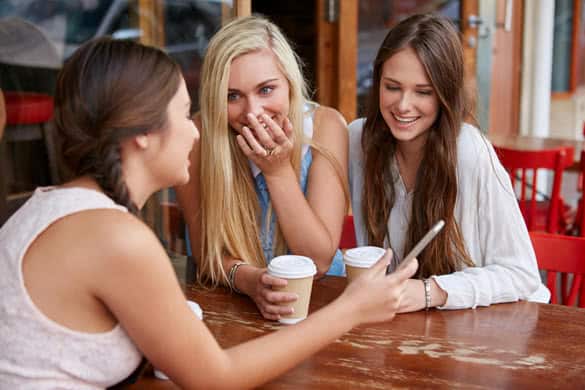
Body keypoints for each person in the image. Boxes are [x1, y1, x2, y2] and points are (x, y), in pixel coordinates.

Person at [0, 37, 418, 389]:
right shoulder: (118, 238)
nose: (196, 129)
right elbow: (215, 378)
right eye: (184, 115)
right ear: (144, 134)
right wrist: (351, 309)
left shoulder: (53, 203)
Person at [348, 13, 550, 312]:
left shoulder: (468, 150)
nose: (403, 105)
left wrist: (431, 292)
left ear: (446, 94)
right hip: (407, 327)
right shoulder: (358, 140)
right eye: (392, 87)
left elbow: (521, 275)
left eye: (423, 92)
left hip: (492, 326)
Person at [176, 16, 349, 321]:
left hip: (322, 305)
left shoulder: (326, 125)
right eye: (233, 96)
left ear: (290, 83)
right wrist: (251, 281)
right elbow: (206, 253)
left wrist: (277, 171)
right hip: (233, 305)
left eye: (266, 90)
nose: (252, 112)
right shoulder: (197, 137)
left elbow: (319, 260)